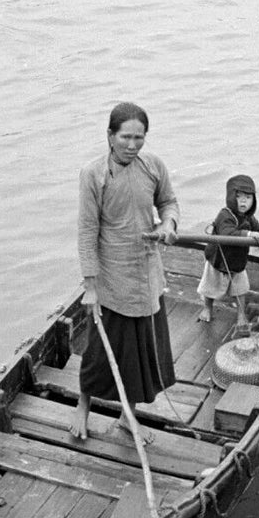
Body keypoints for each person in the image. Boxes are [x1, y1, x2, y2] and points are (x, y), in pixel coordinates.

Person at [68, 102, 179, 441]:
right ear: (110, 136)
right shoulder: (94, 174)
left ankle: (127, 416)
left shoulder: (153, 166)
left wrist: (169, 224)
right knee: (102, 349)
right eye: (126, 137)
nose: (132, 145)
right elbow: (87, 231)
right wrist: (90, 285)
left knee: (138, 351)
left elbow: (169, 202)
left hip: (146, 271)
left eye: (139, 138)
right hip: (111, 275)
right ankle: (83, 407)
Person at [197, 173, 259, 323]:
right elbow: (228, 234)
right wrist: (249, 234)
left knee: (240, 289)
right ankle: (207, 308)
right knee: (209, 287)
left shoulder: (248, 218)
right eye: (240, 197)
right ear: (232, 198)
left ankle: (241, 315)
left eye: (249, 197)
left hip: (237, 262)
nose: (244, 201)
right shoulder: (225, 215)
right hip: (218, 260)